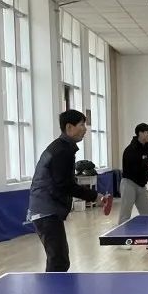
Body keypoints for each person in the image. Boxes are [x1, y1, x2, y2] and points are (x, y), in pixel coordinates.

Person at [28, 109, 106, 272]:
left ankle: (54, 287)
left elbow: (64, 183)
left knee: (59, 259)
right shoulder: (62, 151)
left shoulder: (63, 148)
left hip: (47, 209)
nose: (85, 129)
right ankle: (53, 289)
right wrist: (94, 196)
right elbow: (64, 184)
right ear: (69, 127)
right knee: (59, 261)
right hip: (45, 210)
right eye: (81, 124)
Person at [118, 123, 148, 231]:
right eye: (147, 133)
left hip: (141, 185)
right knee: (125, 214)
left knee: (146, 213)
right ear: (140, 133)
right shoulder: (130, 150)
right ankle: (122, 237)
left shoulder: (146, 147)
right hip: (129, 183)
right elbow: (138, 167)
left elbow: (145, 166)